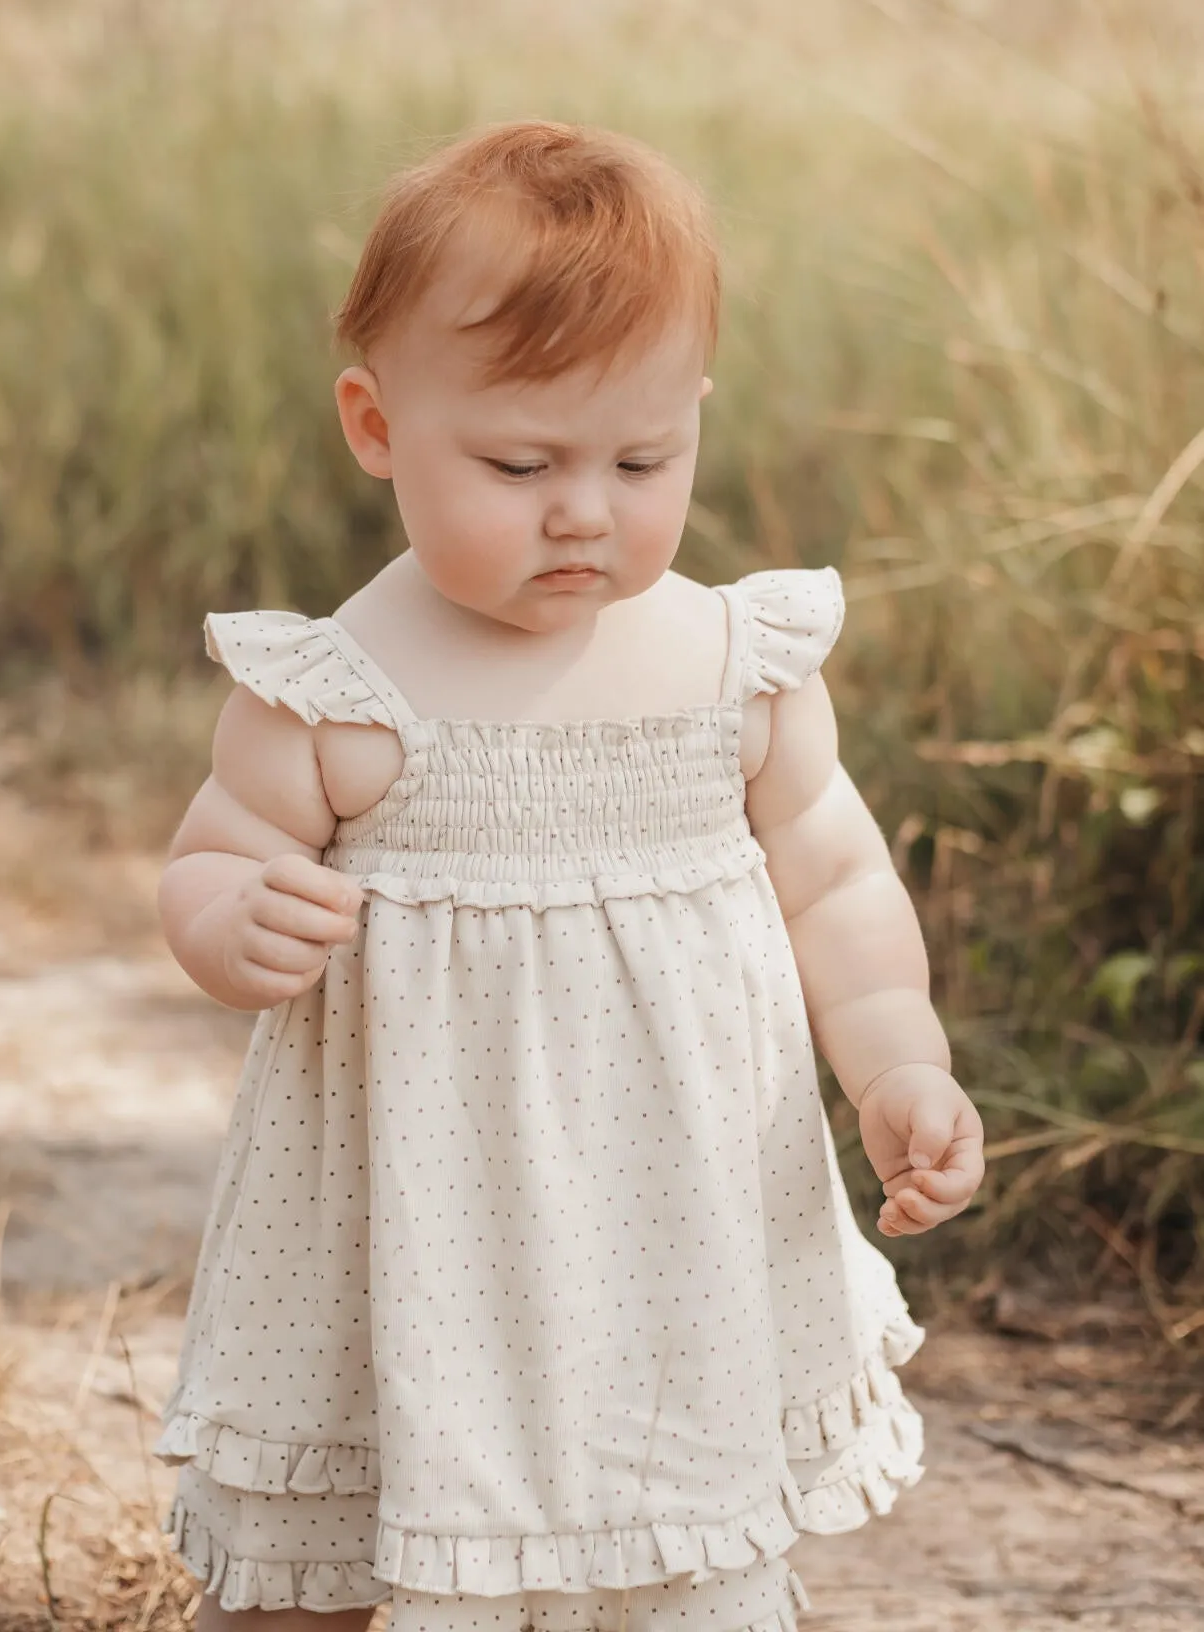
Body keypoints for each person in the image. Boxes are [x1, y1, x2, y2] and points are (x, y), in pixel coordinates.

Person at [153, 121, 986, 1632]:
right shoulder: (336, 691)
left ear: (695, 425)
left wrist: (896, 1062)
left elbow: (836, 877)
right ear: (376, 422)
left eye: (642, 459)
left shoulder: (738, 663)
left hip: (674, 1224)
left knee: (666, 1541)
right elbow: (218, 851)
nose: (585, 511)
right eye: (521, 463)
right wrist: (230, 920)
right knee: (336, 1561)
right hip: (413, 1222)